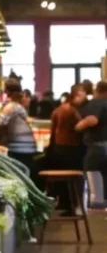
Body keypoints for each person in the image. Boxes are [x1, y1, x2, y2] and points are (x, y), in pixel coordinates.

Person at [49, 84, 87, 212]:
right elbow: (78, 128)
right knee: (73, 178)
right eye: (82, 94)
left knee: (61, 179)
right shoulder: (72, 111)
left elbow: (53, 131)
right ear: (76, 95)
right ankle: (72, 205)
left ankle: (63, 203)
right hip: (71, 148)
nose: (85, 97)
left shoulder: (58, 110)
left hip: (58, 147)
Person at [0, 81, 38, 175]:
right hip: (28, 147)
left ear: (7, 91)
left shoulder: (11, 107)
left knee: (18, 174)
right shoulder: (19, 107)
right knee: (24, 173)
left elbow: (0, 123)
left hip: (19, 148)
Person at [75, 80, 107, 206]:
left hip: (97, 144)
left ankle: (96, 201)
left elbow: (92, 120)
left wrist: (78, 126)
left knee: (92, 169)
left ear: (97, 90)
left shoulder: (97, 103)